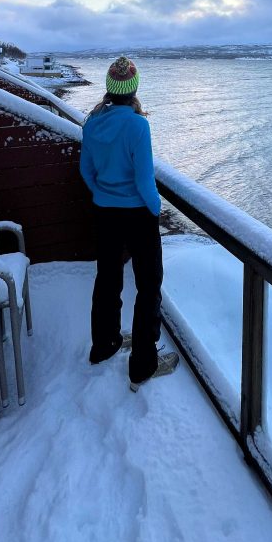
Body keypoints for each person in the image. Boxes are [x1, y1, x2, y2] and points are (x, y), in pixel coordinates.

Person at [79, 56, 179, 391]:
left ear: (109, 88)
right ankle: (143, 365)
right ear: (134, 89)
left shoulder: (92, 122)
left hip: (104, 212)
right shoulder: (138, 126)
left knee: (108, 278)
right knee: (148, 286)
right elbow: (144, 179)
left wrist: (102, 193)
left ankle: (104, 344)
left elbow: (86, 171)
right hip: (137, 214)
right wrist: (156, 209)